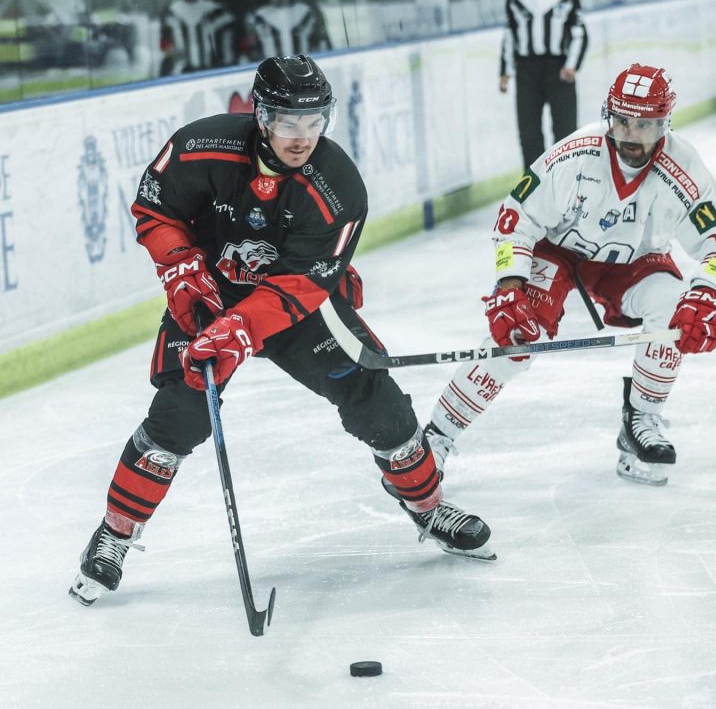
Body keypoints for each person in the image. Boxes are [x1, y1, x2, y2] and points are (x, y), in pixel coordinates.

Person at [69, 55, 495, 607]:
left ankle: (430, 507)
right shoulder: (204, 147)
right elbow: (155, 208)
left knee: (376, 400)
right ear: (262, 115)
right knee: (180, 414)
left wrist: (241, 330)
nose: (303, 137)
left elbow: (300, 286)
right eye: (291, 122)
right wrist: (180, 267)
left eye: (316, 122)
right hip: (210, 296)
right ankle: (115, 533)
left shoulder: (337, 185)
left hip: (295, 307)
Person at [423, 63, 716, 487]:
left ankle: (642, 420)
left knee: (673, 305)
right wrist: (509, 286)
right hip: (557, 252)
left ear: (665, 123)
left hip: (630, 264)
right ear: (608, 114)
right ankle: (435, 439)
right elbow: (514, 218)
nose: (632, 135)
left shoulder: (684, 169)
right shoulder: (576, 153)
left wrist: (708, 292)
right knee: (519, 335)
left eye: (646, 125)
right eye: (623, 121)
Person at [499, 0, 588, 169]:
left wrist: (571, 66)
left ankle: (567, 179)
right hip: (527, 70)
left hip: (559, 70)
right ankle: (534, 188)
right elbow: (510, 37)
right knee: (529, 132)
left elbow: (579, 34)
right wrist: (505, 72)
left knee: (566, 131)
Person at [159, 0, 236, 76]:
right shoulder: (170, 14)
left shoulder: (216, 12)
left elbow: (228, 55)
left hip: (213, 77)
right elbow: (166, 52)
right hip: (180, 80)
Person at [243, 0, 331, 62]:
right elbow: (249, 55)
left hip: (306, 74)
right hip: (271, 75)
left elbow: (324, 48)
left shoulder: (308, 13)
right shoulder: (257, 18)